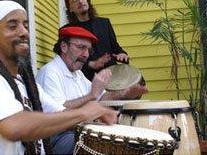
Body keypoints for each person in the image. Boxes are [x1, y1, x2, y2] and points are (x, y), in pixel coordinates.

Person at [0, 0, 118, 155]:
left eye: (26, 26)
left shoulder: (24, 83)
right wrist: (84, 112)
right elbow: (14, 127)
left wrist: (98, 113)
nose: (24, 32)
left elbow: (58, 113)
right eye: (13, 26)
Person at [36, 26, 149, 154]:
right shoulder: (50, 72)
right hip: (56, 138)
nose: (86, 54)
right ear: (64, 47)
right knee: (104, 144)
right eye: (81, 47)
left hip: (78, 131)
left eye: (88, 50)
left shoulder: (77, 73)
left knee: (120, 137)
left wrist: (124, 94)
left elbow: (101, 96)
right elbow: (57, 114)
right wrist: (91, 96)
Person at [62, 0, 138, 82]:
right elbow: (67, 60)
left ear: (87, 2)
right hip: (85, 79)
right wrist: (91, 64)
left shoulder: (104, 23)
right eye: (74, 1)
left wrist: (122, 54)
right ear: (70, 9)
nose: (80, 1)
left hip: (111, 75)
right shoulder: (67, 31)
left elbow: (115, 48)